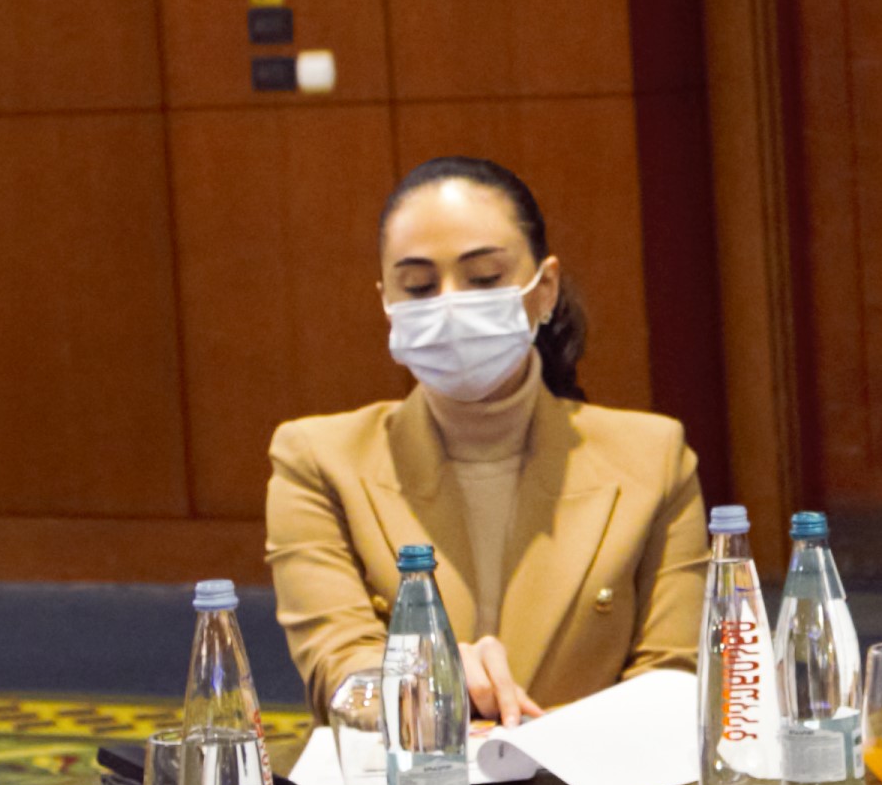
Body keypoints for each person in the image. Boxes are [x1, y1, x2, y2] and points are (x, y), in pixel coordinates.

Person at [267, 158, 707, 720]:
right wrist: (422, 686)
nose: (450, 305)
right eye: (419, 286)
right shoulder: (317, 458)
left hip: (591, 774)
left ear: (544, 288)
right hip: (415, 766)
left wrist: (550, 746)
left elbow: (672, 675)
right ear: (387, 302)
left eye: (483, 279)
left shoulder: (654, 455)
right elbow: (338, 668)